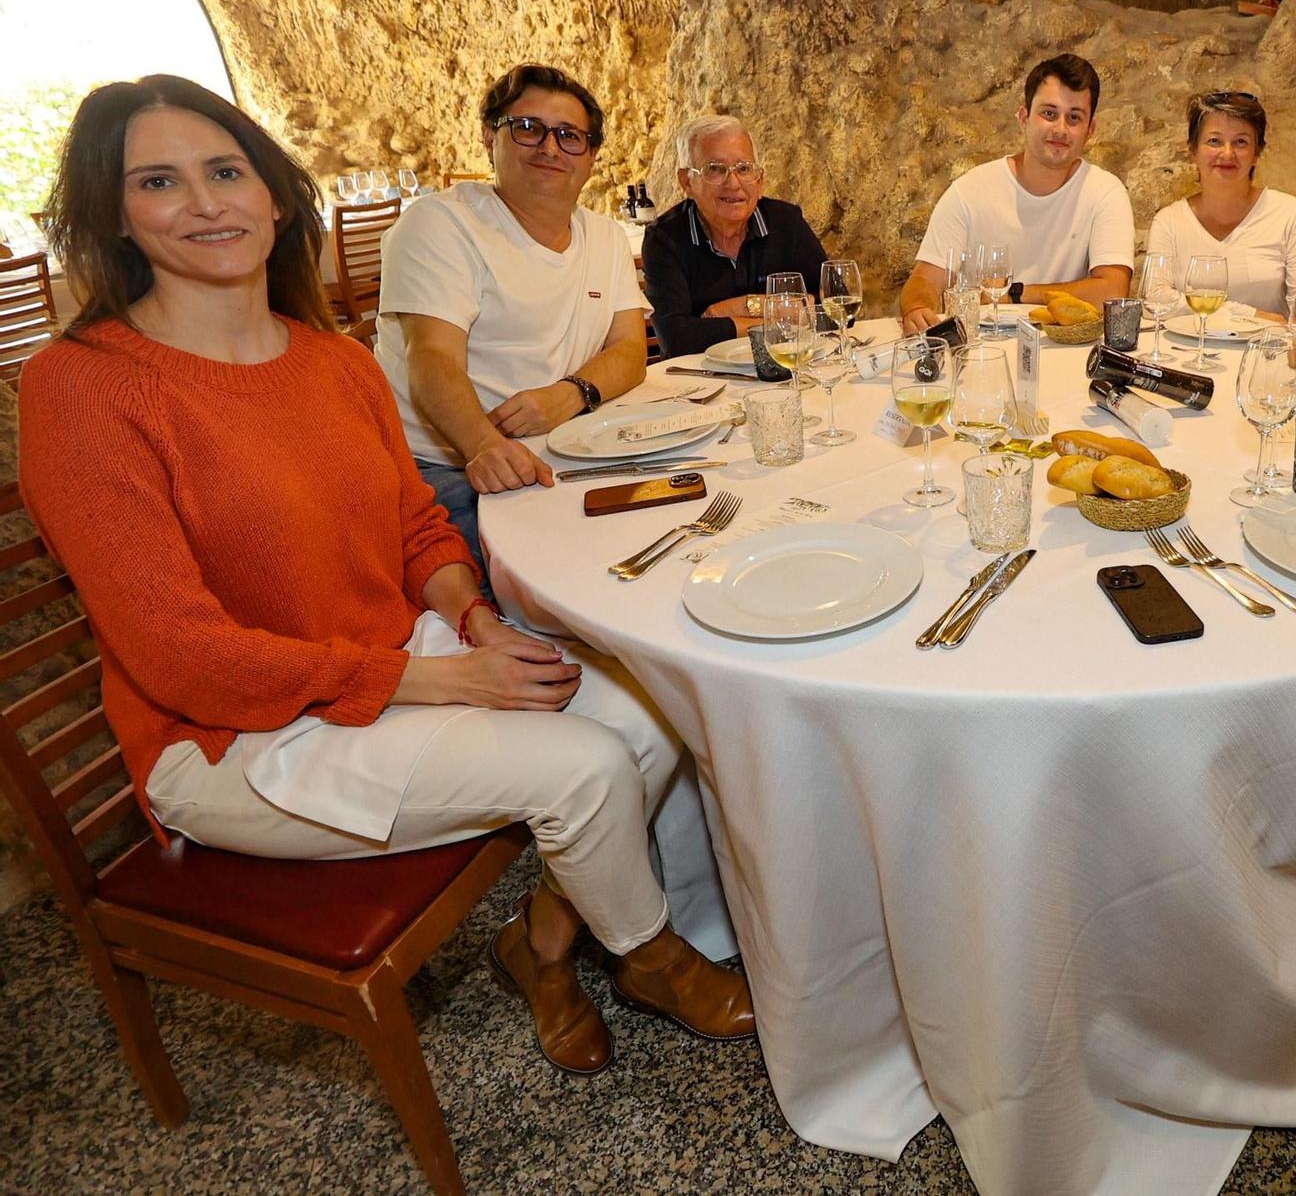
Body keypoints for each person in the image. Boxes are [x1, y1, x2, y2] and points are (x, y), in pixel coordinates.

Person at [18, 75, 753, 1079]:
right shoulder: (83, 387)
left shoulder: (332, 358)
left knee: (647, 704)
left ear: (273, 196)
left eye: (225, 171)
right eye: (158, 181)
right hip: (236, 737)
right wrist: (445, 678)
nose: (204, 202)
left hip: (387, 655)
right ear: (114, 213)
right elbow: (178, 655)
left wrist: (473, 622)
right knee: (577, 766)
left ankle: (541, 946)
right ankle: (650, 953)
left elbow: (414, 521)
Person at [374, 64, 649, 575]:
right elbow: (431, 356)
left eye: (569, 136)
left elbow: (631, 350)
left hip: (564, 447)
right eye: (528, 128)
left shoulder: (605, 236)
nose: (548, 148)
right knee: (539, 582)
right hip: (446, 463)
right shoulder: (442, 224)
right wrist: (485, 446)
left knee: (661, 539)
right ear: (488, 137)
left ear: (590, 158)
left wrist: (571, 394)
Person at [900, 53, 1134, 332]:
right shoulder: (969, 192)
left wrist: (1016, 293)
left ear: (1090, 130)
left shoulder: (1106, 192)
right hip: (981, 349)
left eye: (1074, 117)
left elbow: (1112, 293)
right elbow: (925, 279)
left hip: (1063, 351)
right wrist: (916, 309)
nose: (1060, 128)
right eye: (1049, 113)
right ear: (1024, 117)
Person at [642, 114, 829, 358]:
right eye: (715, 169)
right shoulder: (664, 240)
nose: (733, 183)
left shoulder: (786, 222)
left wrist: (739, 307)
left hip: (785, 369)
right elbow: (677, 339)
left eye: (743, 169)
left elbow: (833, 309)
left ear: (759, 180)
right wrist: (784, 314)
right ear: (687, 182)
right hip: (702, 384)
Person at [1145, 90, 1296, 314]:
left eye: (1240, 142)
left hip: (1267, 347)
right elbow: (1156, 299)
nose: (1227, 153)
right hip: (1189, 348)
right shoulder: (1168, 221)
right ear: (1193, 151)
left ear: (1257, 153)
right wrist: (1247, 315)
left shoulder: (1289, 213)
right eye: (1214, 141)